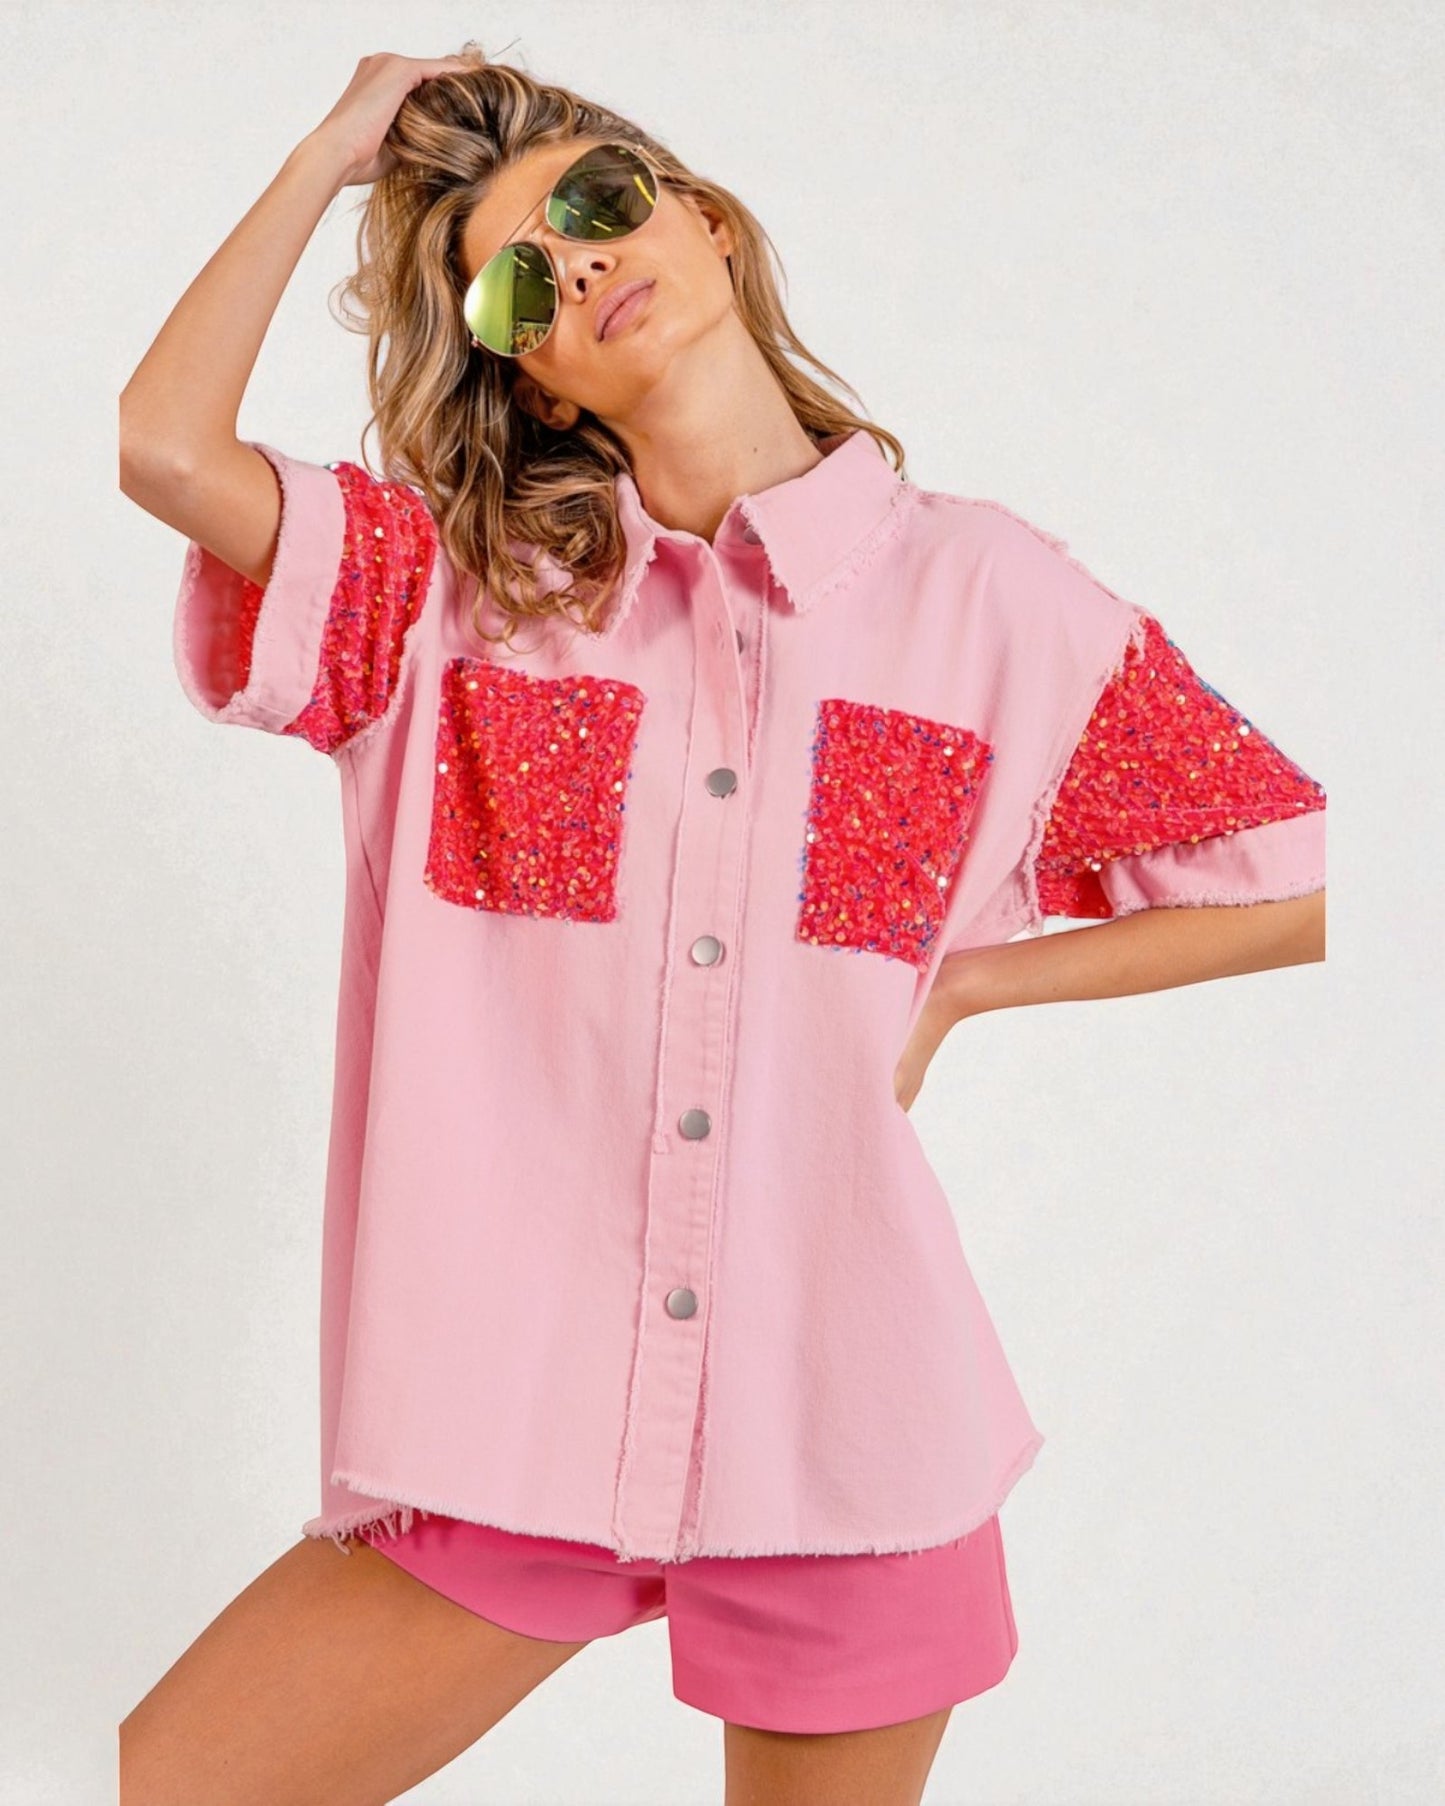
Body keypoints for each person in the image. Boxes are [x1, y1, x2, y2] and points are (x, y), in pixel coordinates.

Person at [116, 45, 1328, 1806]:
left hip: (845, 1435)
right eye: (516, 285)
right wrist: (328, 152)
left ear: (704, 221)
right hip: (510, 1424)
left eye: (597, 202)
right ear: (526, 376)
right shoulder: (440, 599)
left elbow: (1301, 874)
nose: (577, 263)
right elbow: (164, 447)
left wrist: (971, 984)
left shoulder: (994, 598)